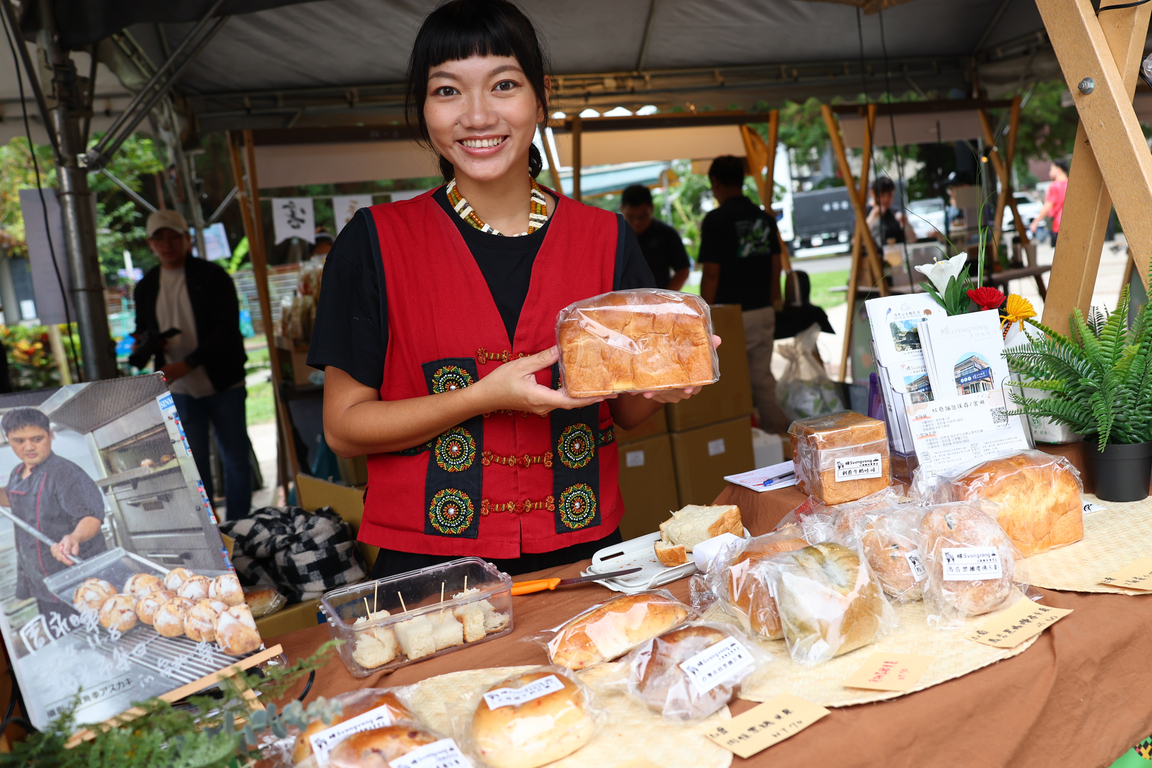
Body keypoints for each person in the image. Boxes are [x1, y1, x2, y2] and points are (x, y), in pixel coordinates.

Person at [308, 0, 712, 579]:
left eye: (503, 84)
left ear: (541, 95)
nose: (476, 116)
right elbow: (343, 427)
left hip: (582, 554)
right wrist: (481, 397)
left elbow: (625, 409)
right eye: (447, 91)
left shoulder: (605, 237)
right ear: (422, 106)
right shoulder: (373, 243)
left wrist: (668, 383)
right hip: (429, 567)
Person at [133, 209, 253, 520]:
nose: (167, 244)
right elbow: (142, 327)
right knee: (195, 462)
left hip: (223, 381)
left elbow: (226, 330)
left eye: (174, 236)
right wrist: (147, 344)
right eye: (160, 238)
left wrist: (189, 363)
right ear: (150, 243)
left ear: (187, 239)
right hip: (179, 386)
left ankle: (240, 526)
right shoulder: (146, 286)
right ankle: (213, 530)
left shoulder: (212, 277)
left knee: (236, 459)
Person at [698, 155, 789, 433]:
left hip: (729, 314)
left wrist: (705, 312)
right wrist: (775, 297)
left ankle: (741, 439)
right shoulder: (763, 217)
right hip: (762, 308)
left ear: (715, 183)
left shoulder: (716, 220)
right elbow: (776, 262)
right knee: (761, 378)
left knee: (730, 382)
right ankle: (779, 437)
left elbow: (712, 273)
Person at [0, 408, 105, 619]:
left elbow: (91, 516)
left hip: (78, 580)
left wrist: (74, 537)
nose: (28, 447)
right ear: (8, 439)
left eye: (37, 439)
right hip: (42, 578)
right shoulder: (17, 472)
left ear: (50, 435)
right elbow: (14, 498)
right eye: (19, 441)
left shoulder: (65, 472)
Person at [620, 184, 691, 290]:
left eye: (642, 217)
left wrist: (665, 298)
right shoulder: (615, 236)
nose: (636, 222)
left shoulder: (667, 234)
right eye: (631, 217)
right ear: (622, 209)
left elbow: (683, 270)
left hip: (658, 299)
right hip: (622, 301)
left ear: (652, 209)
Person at [1028, 159, 1069, 248]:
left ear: (1058, 170)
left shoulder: (1054, 186)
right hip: (1073, 225)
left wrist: (1035, 222)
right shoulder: (1071, 184)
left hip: (1059, 226)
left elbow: (1047, 206)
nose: (1049, 172)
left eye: (1051, 169)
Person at [866, 177, 916, 247]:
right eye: (882, 195)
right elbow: (855, 241)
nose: (886, 199)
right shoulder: (864, 213)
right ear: (872, 193)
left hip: (897, 255)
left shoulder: (895, 213)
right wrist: (872, 219)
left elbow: (912, 239)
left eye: (889, 195)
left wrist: (906, 225)